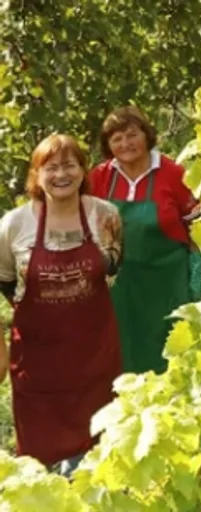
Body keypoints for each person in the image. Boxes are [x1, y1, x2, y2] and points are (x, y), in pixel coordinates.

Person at [0, 134, 123, 478]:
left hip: (95, 355)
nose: (61, 174)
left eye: (70, 165)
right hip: (39, 361)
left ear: (83, 171)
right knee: (39, 467)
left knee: (98, 456)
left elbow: (113, 266)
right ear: (36, 176)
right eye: (50, 167)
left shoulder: (106, 216)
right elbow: (4, 279)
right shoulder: (14, 224)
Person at [89, 106, 201, 375]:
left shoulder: (173, 173)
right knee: (121, 351)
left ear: (146, 135)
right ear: (108, 145)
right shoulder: (101, 176)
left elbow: (197, 226)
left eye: (132, 135)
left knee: (168, 354)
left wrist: (198, 274)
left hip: (166, 283)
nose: (126, 144)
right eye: (116, 139)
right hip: (120, 286)